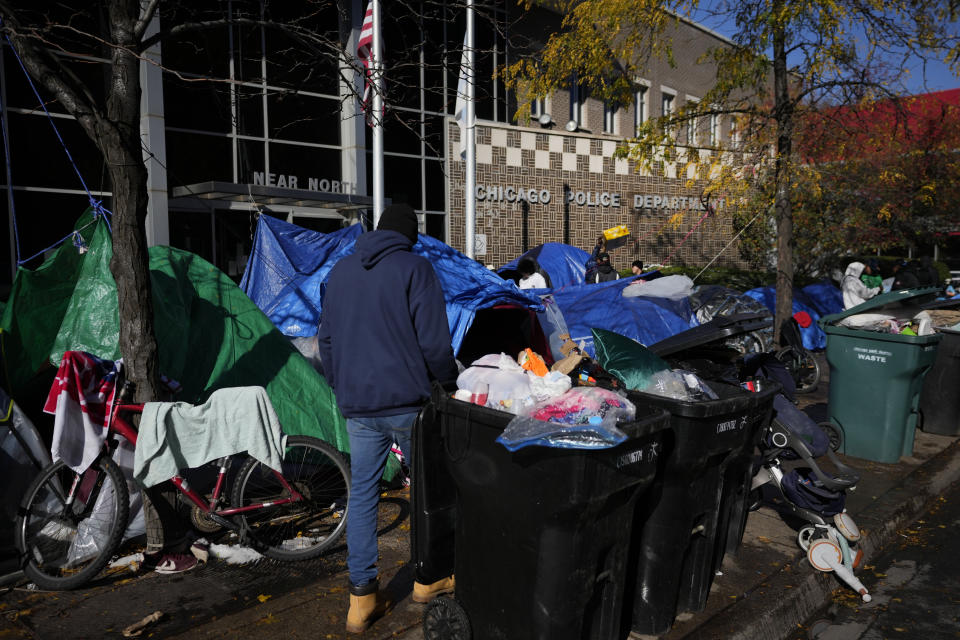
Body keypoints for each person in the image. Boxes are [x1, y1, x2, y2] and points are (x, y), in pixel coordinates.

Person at [316, 204, 459, 634]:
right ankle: (428, 579)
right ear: (410, 237)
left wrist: (343, 387)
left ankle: (361, 601)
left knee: (362, 496)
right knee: (429, 493)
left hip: (358, 406)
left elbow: (326, 340)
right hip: (409, 405)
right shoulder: (415, 269)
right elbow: (434, 341)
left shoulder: (340, 272)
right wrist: (448, 381)